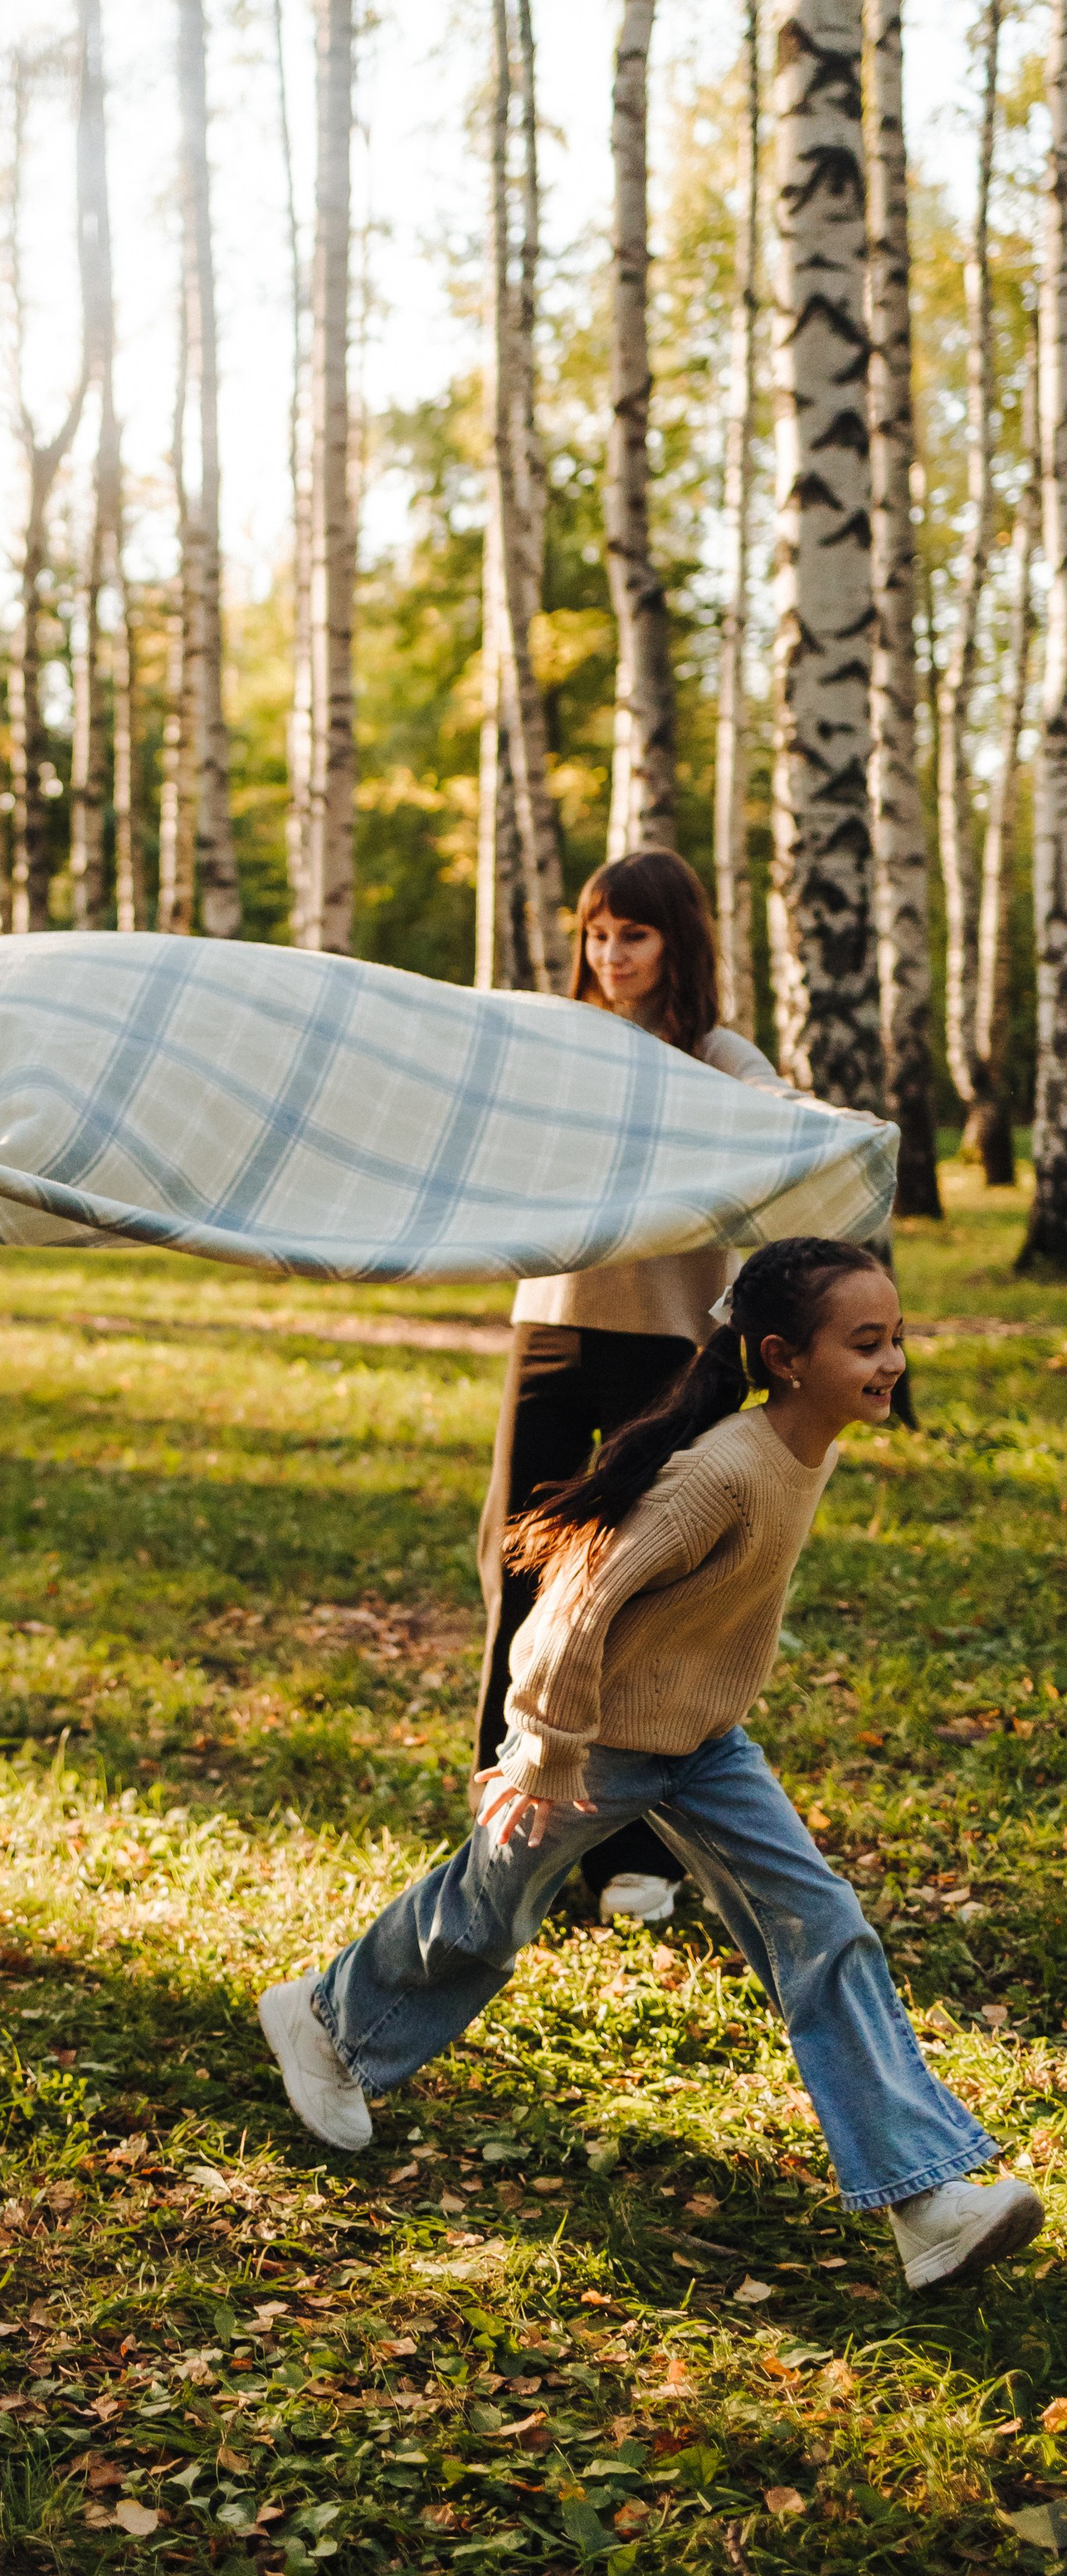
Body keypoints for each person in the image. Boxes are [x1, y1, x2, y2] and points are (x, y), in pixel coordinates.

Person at [258, 1237, 1042, 2295]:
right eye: (866, 1343)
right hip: (600, 1746)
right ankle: (327, 2022)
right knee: (488, 1914)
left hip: (705, 1747)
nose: (892, 1360)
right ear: (784, 1357)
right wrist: (539, 1751)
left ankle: (928, 2203)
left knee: (822, 1931)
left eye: (896, 1336)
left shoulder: (812, 1441)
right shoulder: (719, 1472)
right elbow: (572, 1602)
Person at [476, 847, 792, 1927]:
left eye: (634, 935)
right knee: (521, 1575)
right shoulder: (565, 1040)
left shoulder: (714, 1054)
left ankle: (627, 1853)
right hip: (555, 1328)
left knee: (644, 1595)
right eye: (597, 934)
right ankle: (508, 1834)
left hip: (672, 1347)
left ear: (678, 942)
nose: (610, 956)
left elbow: (780, 1122)